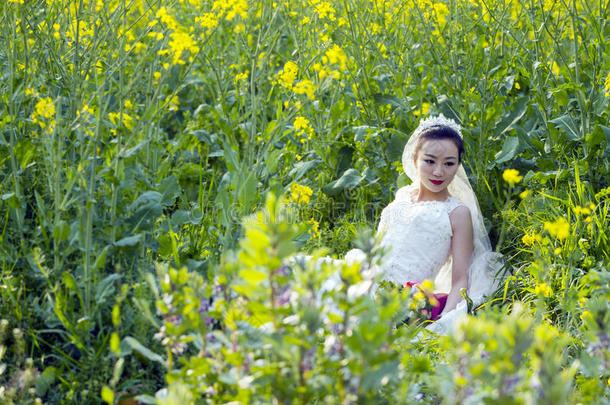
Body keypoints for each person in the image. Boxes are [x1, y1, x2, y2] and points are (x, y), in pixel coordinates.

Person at [338, 114, 503, 334]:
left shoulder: (457, 212)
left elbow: (460, 278)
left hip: (400, 297)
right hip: (366, 273)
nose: (438, 171)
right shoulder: (403, 195)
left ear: (458, 165)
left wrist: (443, 320)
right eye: (430, 161)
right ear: (415, 159)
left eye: (449, 163)